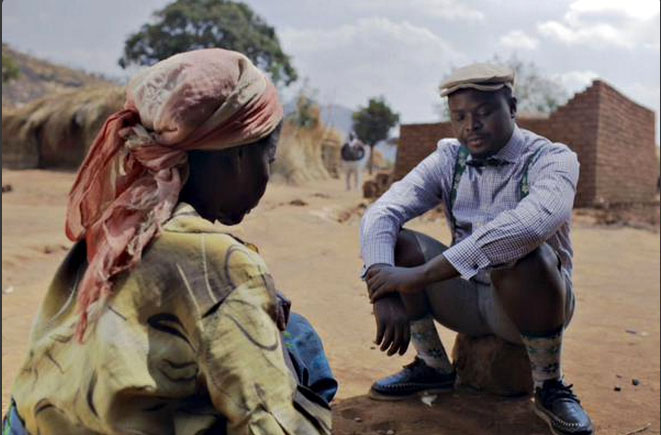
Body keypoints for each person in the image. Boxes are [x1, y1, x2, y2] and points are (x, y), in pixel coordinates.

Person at [3, 48, 336, 435]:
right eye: (270, 160)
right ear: (239, 155)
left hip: (28, 422)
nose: (268, 176)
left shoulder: (118, 222)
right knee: (299, 343)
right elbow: (271, 424)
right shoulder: (222, 262)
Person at [360, 63, 593, 435]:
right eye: (460, 117)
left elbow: (530, 226)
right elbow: (382, 212)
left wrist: (418, 277)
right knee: (398, 244)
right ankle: (433, 366)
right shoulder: (449, 159)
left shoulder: (552, 159)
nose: (471, 125)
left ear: (512, 108)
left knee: (523, 255)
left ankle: (550, 385)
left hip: (528, 304)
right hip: (464, 298)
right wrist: (383, 287)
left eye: (484, 113)